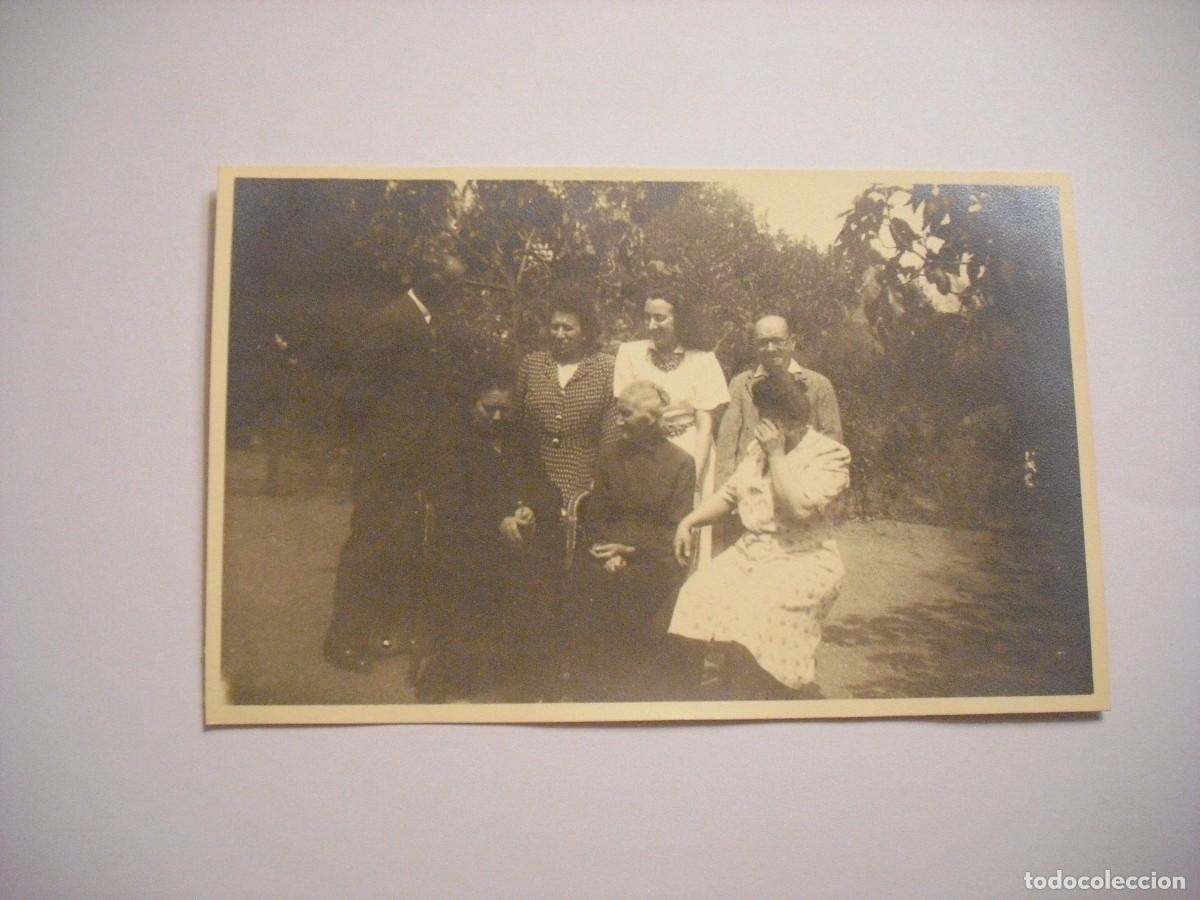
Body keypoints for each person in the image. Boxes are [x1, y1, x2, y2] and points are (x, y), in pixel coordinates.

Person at [322, 253, 465, 673]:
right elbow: (357, 392)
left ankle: (380, 632)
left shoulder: (426, 321)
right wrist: (378, 447)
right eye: (453, 284)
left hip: (414, 460)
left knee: (399, 547)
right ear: (431, 279)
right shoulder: (392, 320)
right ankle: (343, 640)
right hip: (386, 460)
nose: (457, 294)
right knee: (368, 547)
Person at [669, 369, 850, 699]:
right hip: (751, 552)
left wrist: (778, 455)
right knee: (696, 594)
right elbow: (729, 495)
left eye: (769, 418)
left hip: (803, 557)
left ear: (793, 419)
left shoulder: (829, 455)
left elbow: (799, 509)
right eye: (761, 417)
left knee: (757, 612)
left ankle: (761, 693)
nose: (760, 426)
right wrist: (689, 521)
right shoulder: (757, 449)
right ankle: (694, 696)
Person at [416, 371, 563, 702]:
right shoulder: (452, 439)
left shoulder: (520, 438)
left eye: (505, 411)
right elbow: (450, 499)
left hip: (519, 537)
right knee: (473, 572)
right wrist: (499, 519)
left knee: (545, 570)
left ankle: (528, 672)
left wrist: (532, 510)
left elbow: (545, 486)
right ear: (473, 405)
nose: (498, 417)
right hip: (468, 536)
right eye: (489, 409)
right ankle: (452, 668)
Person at [566, 381, 695, 699]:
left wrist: (631, 550)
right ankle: (592, 689)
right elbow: (595, 517)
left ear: (649, 419)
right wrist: (609, 553)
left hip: (656, 557)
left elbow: (673, 529)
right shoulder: (609, 455)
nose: (618, 421)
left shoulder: (681, 463)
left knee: (636, 587)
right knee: (584, 581)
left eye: (625, 414)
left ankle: (637, 690)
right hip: (607, 551)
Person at [613, 290, 729, 565]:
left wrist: (694, 476)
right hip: (642, 449)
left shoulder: (703, 359)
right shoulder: (629, 354)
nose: (651, 325)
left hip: (691, 449)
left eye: (660, 318)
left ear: (680, 320)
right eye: (647, 317)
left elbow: (704, 423)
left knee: (687, 527)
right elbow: (626, 413)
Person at [515, 289, 619, 510]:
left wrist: (600, 481)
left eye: (568, 328)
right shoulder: (532, 364)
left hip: (584, 476)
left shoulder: (606, 368)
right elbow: (515, 424)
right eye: (555, 326)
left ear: (586, 332)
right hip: (534, 471)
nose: (559, 334)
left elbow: (610, 435)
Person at [714, 314, 842, 490]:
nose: (770, 348)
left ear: (792, 342)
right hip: (750, 484)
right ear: (754, 346)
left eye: (777, 341)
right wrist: (723, 490)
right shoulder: (740, 384)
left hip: (801, 484)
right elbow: (726, 446)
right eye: (763, 342)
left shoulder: (818, 384)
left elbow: (832, 441)